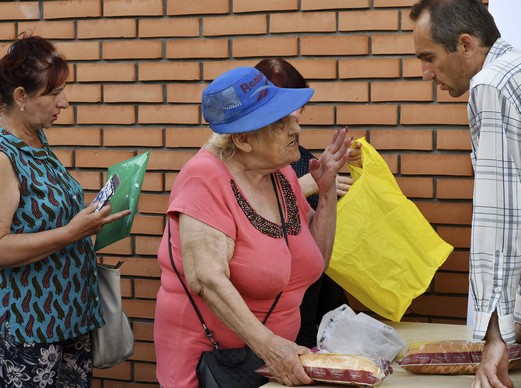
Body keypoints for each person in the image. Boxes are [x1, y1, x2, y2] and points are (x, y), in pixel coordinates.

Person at [410, 1, 521, 387]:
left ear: (466, 45)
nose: (424, 73)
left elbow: (500, 220)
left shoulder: (491, 85)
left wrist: (495, 338)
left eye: (428, 57)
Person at [153, 66, 352, 387]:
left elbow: (316, 262)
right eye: (280, 122)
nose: (295, 127)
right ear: (244, 139)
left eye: (292, 117)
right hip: (213, 367)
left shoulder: (281, 175)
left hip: (272, 365)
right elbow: (207, 278)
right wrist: (271, 347)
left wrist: (326, 192)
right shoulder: (203, 179)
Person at [0, 35, 131, 387]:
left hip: (70, 318)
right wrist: (71, 232)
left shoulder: (36, 140)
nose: (65, 102)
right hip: (30, 329)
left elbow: (45, 215)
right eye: (54, 93)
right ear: (21, 97)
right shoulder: (3, 155)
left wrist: (94, 216)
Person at [254, 58, 361, 348]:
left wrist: (329, 187)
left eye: (296, 108)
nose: (293, 120)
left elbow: (318, 247)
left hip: (304, 300)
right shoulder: (232, 167)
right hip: (255, 321)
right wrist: (306, 186)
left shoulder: (304, 161)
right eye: (281, 109)